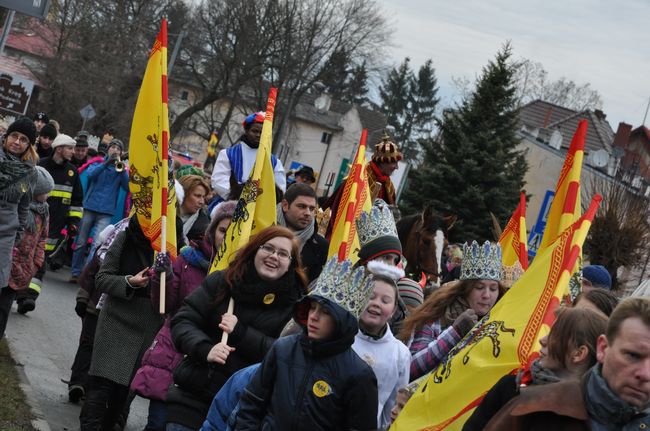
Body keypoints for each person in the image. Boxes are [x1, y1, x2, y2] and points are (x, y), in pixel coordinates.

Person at [166, 226, 308, 430]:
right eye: (268, 248)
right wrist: (205, 349)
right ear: (255, 250)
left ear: (291, 264)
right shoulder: (224, 282)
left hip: (243, 412)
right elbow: (184, 320)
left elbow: (287, 355)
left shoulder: (297, 307)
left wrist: (241, 333)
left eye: (283, 254)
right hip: (194, 397)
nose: (274, 256)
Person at [235, 257, 378, 430]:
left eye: (325, 312)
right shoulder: (283, 348)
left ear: (343, 321)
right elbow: (251, 403)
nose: (314, 316)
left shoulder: (358, 374)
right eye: (312, 307)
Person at [131, 201, 236, 431]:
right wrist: (162, 276)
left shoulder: (244, 276)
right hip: (173, 353)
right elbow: (164, 305)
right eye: (222, 231)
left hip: (208, 367)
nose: (227, 238)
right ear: (212, 231)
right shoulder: (189, 260)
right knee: (158, 423)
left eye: (234, 232)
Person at [484, 297, 650, 430]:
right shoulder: (532, 409)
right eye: (633, 355)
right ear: (603, 348)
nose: (645, 374)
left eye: (555, 335)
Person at [79, 217, 164, 430]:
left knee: (121, 393)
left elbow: (175, 295)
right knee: (100, 386)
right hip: (115, 319)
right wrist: (129, 281)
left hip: (147, 324)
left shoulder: (171, 245)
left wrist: (166, 280)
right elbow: (102, 279)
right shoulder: (126, 235)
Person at [464, 307, 608, 431]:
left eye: (555, 335)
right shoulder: (511, 388)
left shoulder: (597, 417)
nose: (542, 340)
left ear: (578, 354)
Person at [401, 241, 506, 381]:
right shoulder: (436, 315)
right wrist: (455, 332)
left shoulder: (500, 323)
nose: (487, 295)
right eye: (479, 287)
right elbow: (410, 369)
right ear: (466, 289)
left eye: (493, 289)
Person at [67, 218, 130, 404]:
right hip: (95, 303)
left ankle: (91, 388)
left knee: (103, 350)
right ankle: (77, 382)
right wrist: (82, 296)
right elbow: (91, 270)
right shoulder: (119, 231)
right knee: (87, 342)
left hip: (117, 309)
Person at [352, 274, 411, 430]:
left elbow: (393, 405)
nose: (376, 304)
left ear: (393, 310)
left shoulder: (400, 354)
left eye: (385, 301)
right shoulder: (341, 337)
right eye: (371, 297)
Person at [70, 138, 129, 283]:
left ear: (121, 152)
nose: (114, 150)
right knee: (81, 242)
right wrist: (106, 164)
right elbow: (91, 175)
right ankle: (75, 272)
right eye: (112, 147)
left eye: (118, 148)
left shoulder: (121, 169)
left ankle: (85, 274)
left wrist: (120, 169)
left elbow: (127, 187)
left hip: (106, 211)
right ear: (108, 149)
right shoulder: (97, 163)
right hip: (90, 207)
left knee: (97, 244)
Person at [0, 118, 39, 339]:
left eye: (23, 139)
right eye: (14, 136)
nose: (17, 142)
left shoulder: (30, 173)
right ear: (6, 137)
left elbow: (24, 207)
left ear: (28, 146)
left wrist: (17, 234)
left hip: (5, 235)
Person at [210, 111, 286, 202]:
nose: (258, 135)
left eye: (262, 132)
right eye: (255, 131)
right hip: (228, 206)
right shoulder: (227, 154)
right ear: (246, 131)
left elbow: (279, 190)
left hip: (258, 211)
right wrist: (240, 195)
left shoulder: (275, 162)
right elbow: (218, 181)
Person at [276, 183, 328, 281]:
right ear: (285, 205)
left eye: (312, 208)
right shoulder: (264, 230)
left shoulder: (320, 246)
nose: (308, 213)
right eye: (301, 206)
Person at [178, 174, 211, 245]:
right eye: (197, 196)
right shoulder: (165, 215)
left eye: (203, 197)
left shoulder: (203, 228)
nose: (202, 202)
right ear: (183, 193)